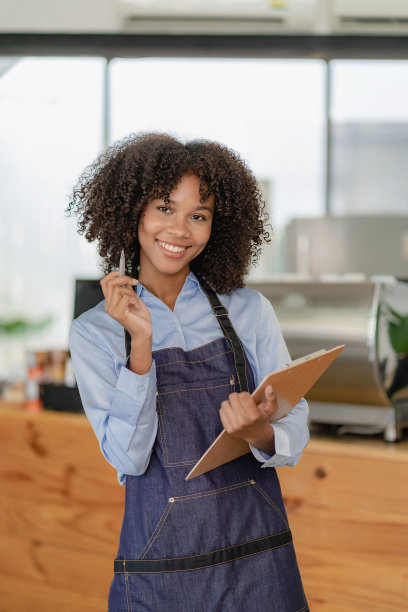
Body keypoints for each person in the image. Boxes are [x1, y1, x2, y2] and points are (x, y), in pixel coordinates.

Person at [68, 132, 310, 611]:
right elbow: (130, 459)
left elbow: (295, 427)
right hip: (161, 574)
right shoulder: (95, 332)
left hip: (257, 561)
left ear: (215, 227)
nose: (179, 230)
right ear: (131, 211)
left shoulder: (249, 311)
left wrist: (260, 430)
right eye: (164, 208)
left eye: (198, 215)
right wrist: (141, 345)